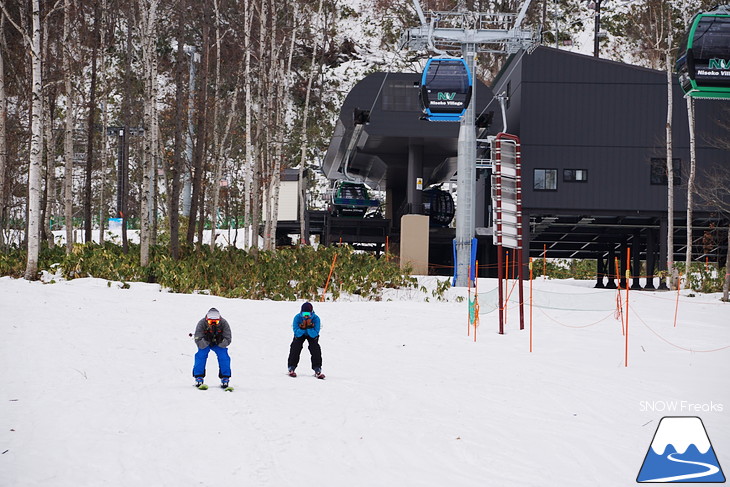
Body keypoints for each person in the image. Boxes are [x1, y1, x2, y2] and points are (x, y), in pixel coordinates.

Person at [192, 308, 232, 388]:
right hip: (205, 343)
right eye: (210, 322)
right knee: (201, 355)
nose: (213, 324)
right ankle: (199, 377)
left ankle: (225, 377)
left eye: (216, 322)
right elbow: (198, 341)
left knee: (224, 356)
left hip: (218, 344)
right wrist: (206, 339)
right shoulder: (201, 324)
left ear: (219, 320)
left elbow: (228, 339)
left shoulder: (224, 323)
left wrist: (221, 341)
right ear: (207, 320)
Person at [287, 302, 325, 379]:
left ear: (312, 313)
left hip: (311, 334)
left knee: (315, 348)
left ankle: (317, 369)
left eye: (308, 314)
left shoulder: (316, 319)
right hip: (300, 333)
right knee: (295, 347)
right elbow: (297, 333)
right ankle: (291, 368)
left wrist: (309, 327)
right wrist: (303, 328)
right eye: (304, 314)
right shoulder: (297, 318)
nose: (306, 316)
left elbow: (315, 334)